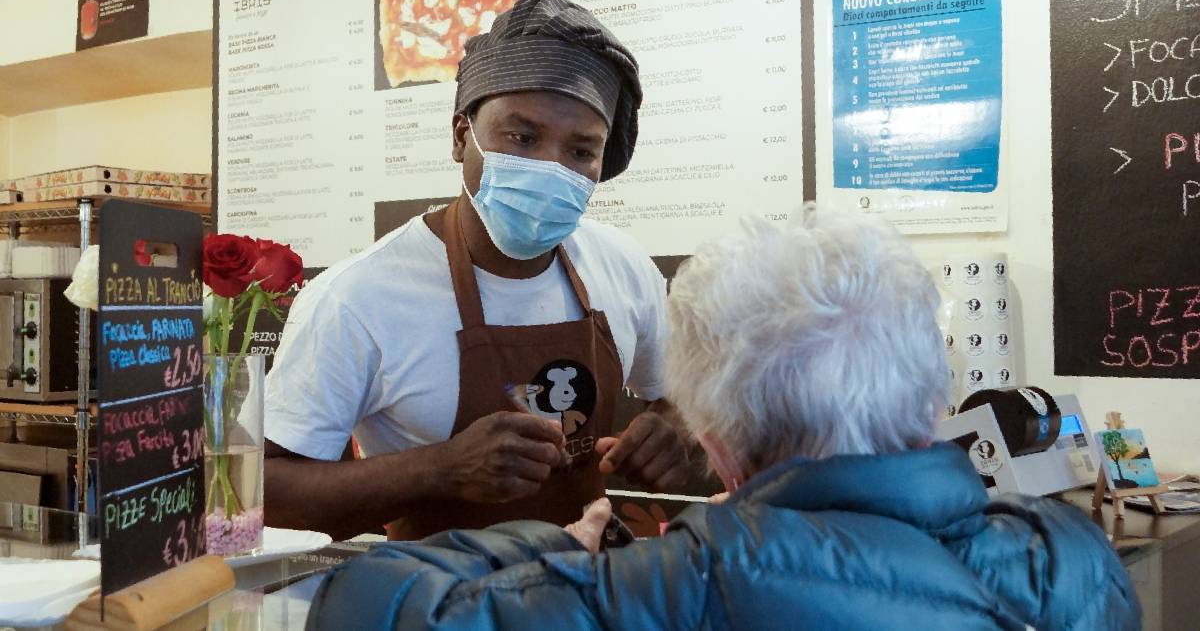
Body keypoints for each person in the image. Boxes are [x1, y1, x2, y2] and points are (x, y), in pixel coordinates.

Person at [305, 205, 1140, 630]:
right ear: (933, 402)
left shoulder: (679, 582)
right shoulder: (1069, 561)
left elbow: (360, 600)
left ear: (716, 446)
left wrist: (567, 543)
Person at [263, 0, 689, 540]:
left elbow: (681, 399)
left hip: (586, 592)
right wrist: (439, 469)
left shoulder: (622, 267)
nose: (551, 167)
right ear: (462, 135)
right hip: (437, 602)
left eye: (581, 151)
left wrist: (670, 432)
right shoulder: (358, 296)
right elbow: (267, 491)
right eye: (523, 137)